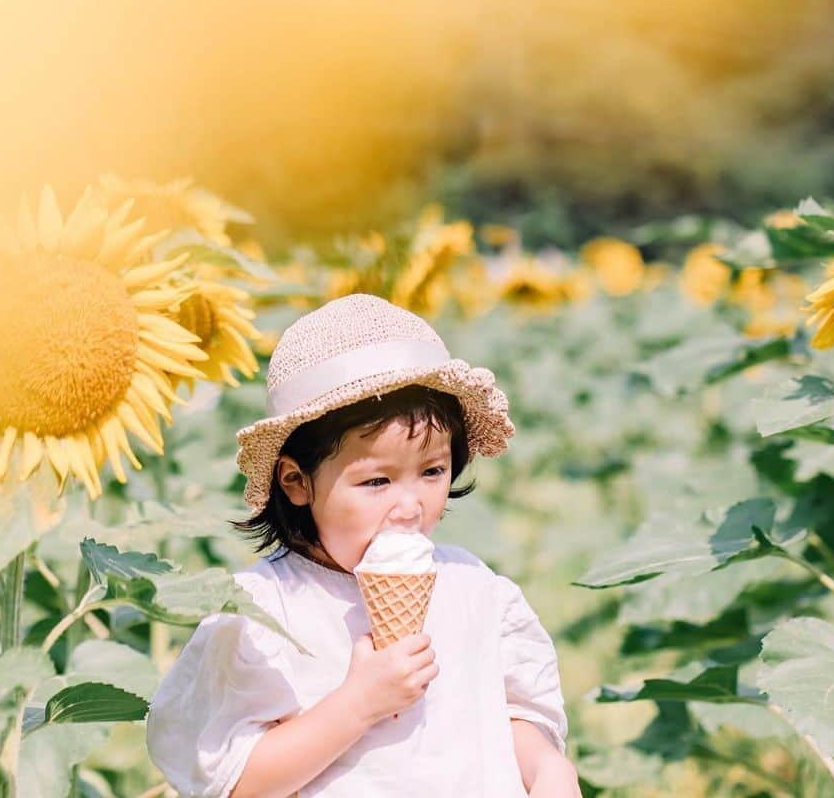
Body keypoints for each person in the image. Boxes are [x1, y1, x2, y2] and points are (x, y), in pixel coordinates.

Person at [146, 293, 579, 797]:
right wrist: (357, 705)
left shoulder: (475, 589)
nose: (410, 505)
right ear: (295, 481)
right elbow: (235, 782)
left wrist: (547, 769)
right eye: (377, 482)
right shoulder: (263, 612)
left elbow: (511, 715)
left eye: (432, 472)